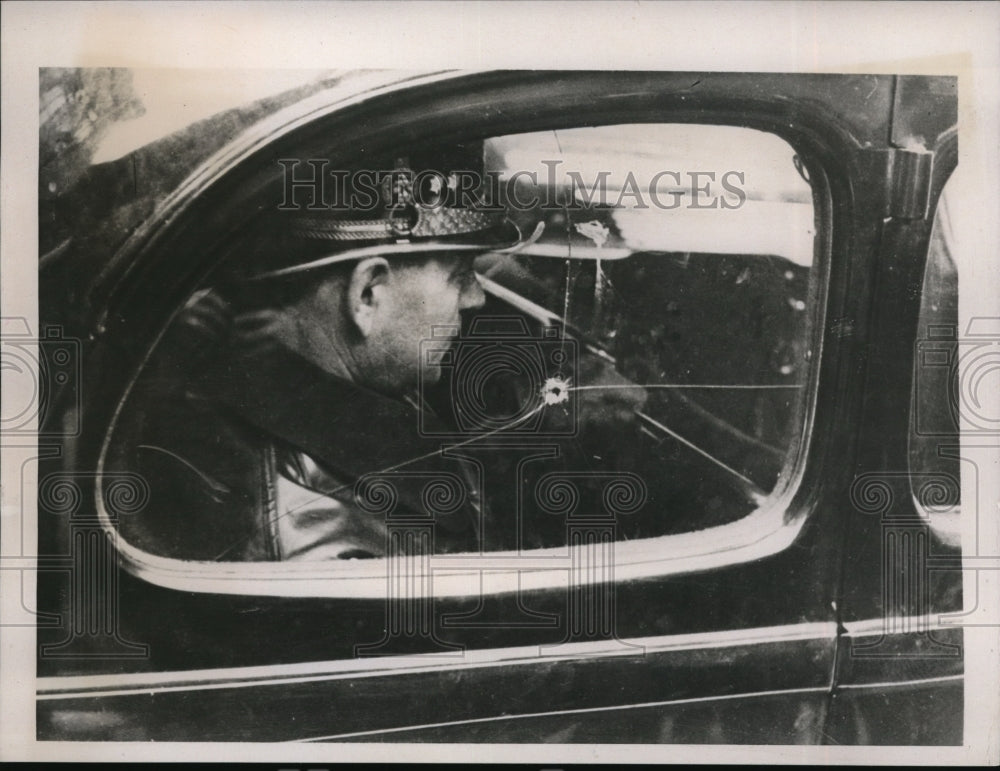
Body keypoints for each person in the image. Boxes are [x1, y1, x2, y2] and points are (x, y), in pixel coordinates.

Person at [106, 142, 647, 562]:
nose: (476, 299)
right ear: (367, 294)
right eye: (460, 275)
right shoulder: (303, 523)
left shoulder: (315, 396)